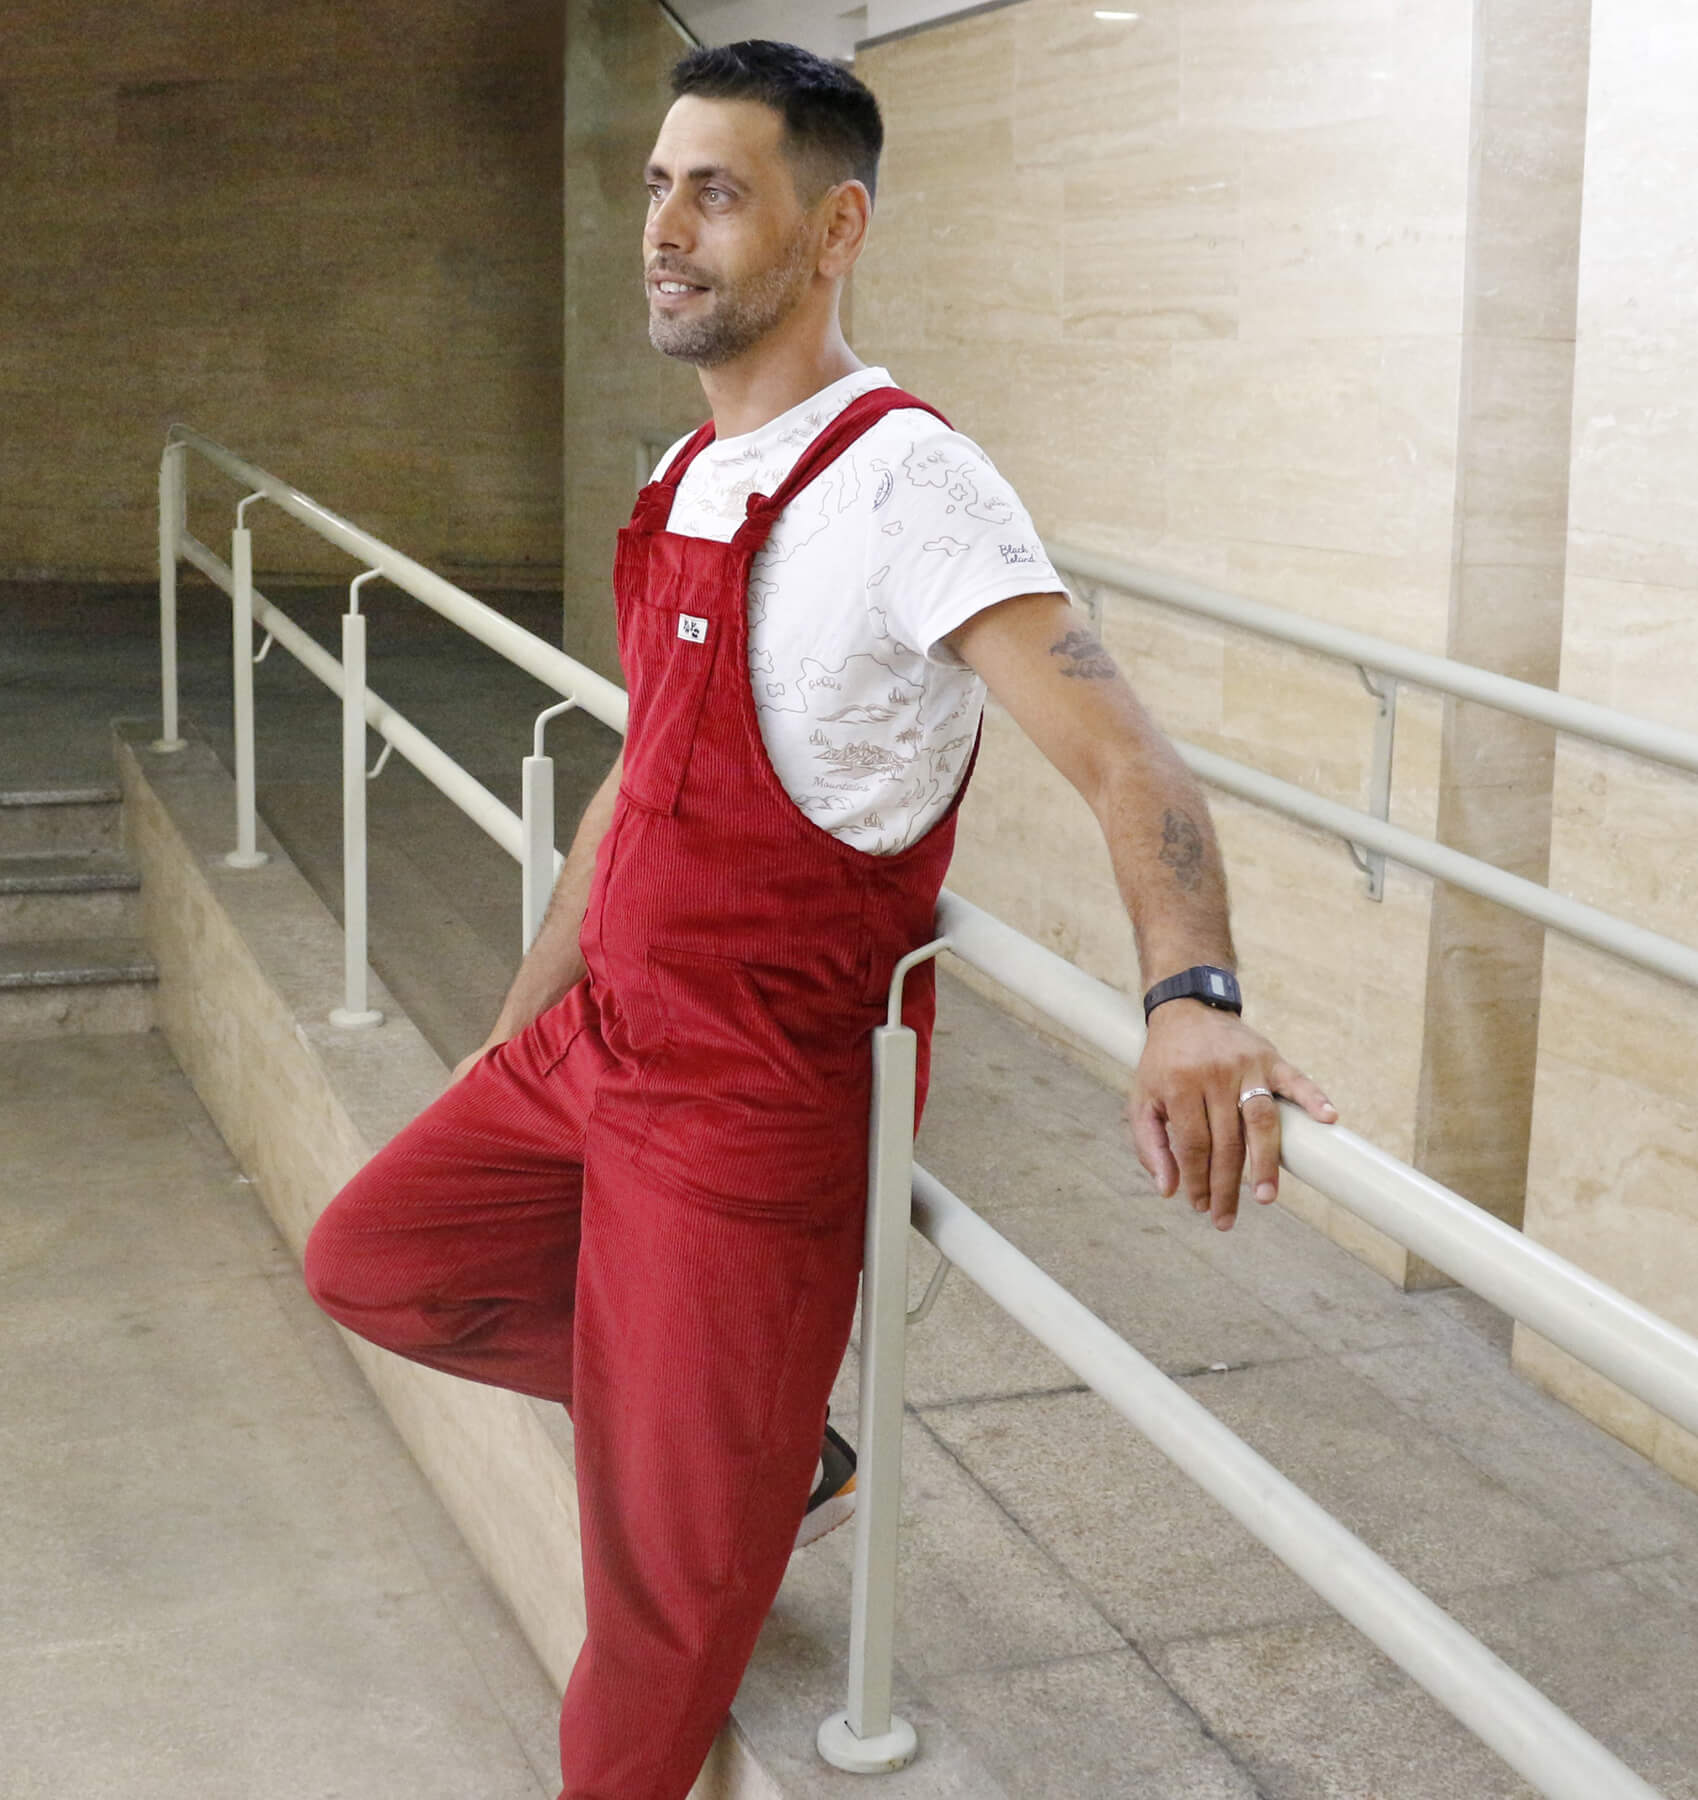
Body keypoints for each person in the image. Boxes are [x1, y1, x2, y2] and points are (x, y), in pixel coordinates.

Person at [304, 38, 1336, 1800]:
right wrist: (518, 1016)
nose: (668, 229)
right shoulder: (695, 472)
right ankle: (761, 1459)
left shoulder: (910, 483)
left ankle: (724, 1472)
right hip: (597, 1043)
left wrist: (1193, 994)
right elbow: (643, 786)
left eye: (719, 192)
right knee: (373, 1259)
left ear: (833, 224)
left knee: (648, 1628)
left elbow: (1132, 765)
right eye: (658, 187)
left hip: (749, 1108)